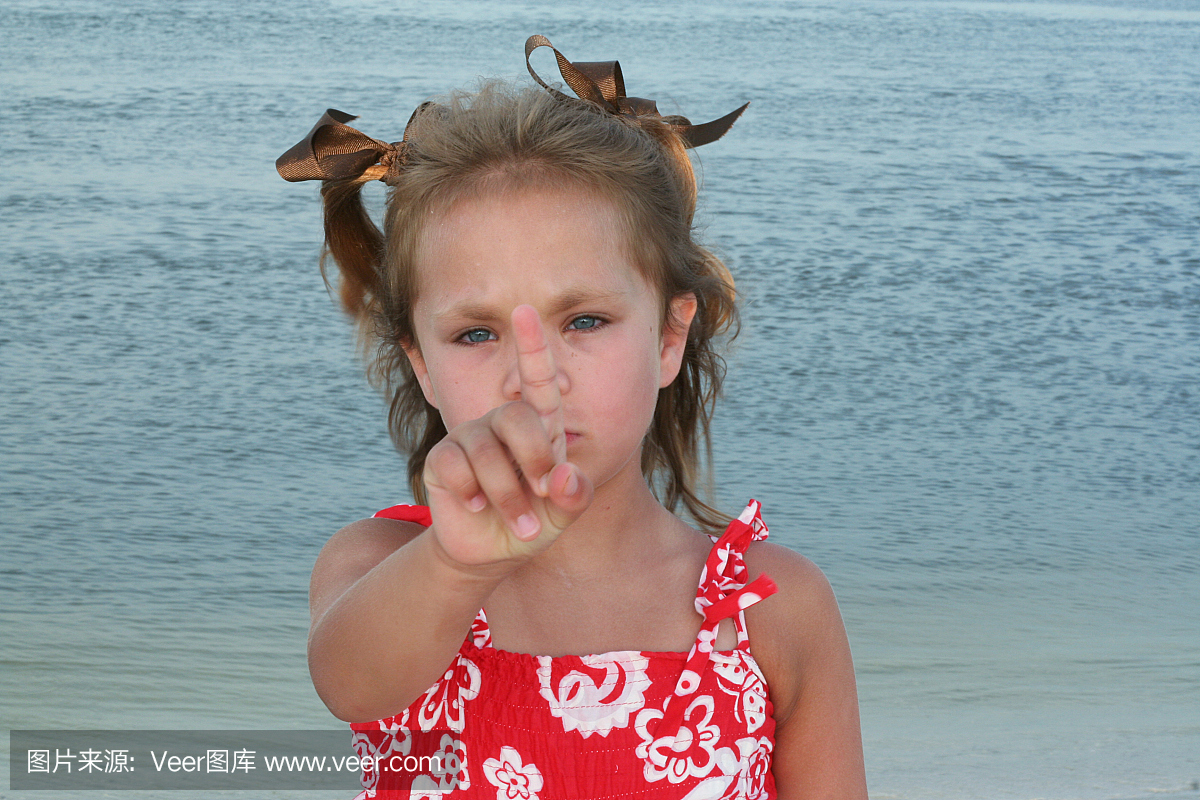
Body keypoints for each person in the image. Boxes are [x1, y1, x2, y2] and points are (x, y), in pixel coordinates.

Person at [277, 35, 867, 800]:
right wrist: (458, 564)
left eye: (584, 320)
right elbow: (351, 685)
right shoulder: (382, 570)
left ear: (667, 337)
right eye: (476, 333)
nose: (534, 374)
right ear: (422, 364)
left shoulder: (770, 610)